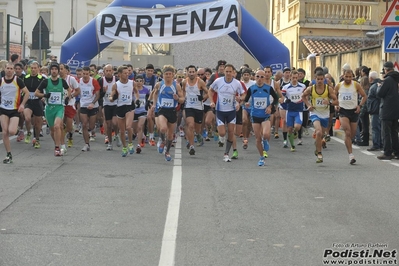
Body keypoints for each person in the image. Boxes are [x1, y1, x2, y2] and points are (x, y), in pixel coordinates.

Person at [208, 64, 246, 162]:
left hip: (231, 111)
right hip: (220, 110)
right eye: (226, 71)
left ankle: (226, 154)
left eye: (230, 72)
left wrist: (240, 101)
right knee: (222, 132)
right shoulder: (218, 81)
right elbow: (210, 91)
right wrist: (212, 101)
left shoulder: (237, 83)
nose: (228, 73)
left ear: (233, 72)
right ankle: (221, 138)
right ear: (224, 72)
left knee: (230, 132)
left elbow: (243, 95)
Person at [244, 70, 279, 166]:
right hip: (255, 115)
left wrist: (270, 107)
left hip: (265, 115)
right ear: (254, 77)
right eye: (257, 76)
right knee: (258, 138)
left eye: (262, 77)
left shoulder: (268, 88)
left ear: (265, 78)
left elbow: (276, 99)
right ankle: (261, 157)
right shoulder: (251, 89)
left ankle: (266, 141)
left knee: (266, 134)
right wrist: (246, 104)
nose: (259, 79)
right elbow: (245, 100)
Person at [35, 63, 71, 156]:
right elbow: (36, 93)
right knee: (52, 130)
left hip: (59, 108)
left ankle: (57, 147)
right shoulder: (45, 81)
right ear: (50, 71)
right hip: (49, 109)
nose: (54, 71)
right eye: (52, 69)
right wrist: (44, 95)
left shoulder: (62, 81)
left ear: (58, 71)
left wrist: (68, 97)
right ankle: (60, 145)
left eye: (56, 69)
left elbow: (69, 89)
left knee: (57, 126)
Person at [302, 71, 338, 163]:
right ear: (315, 79)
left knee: (321, 134)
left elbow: (336, 101)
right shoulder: (311, 89)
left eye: (322, 79)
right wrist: (308, 105)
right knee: (318, 132)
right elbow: (303, 96)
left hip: (325, 114)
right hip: (315, 112)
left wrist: (329, 103)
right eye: (318, 79)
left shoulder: (328, 89)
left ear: (324, 80)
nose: (320, 81)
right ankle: (319, 153)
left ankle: (317, 144)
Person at [151, 65, 185, 161]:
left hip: (172, 111)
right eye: (166, 74)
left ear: (173, 75)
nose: (168, 76)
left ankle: (167, 151)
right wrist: (154, 104)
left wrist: (178, 98)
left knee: (170, 135)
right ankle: (162, 141)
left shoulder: (176, 86)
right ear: (163, 75)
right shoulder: (159, 84)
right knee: (163, 128)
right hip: (162, 109)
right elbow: (155, 93)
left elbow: (182, 99)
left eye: (170, 74)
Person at [335, 69, 367, 164]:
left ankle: (348, 143)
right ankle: (351, 155)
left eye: (350, 77)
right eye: (346, 76)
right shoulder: (339, 85)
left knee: (352, 135)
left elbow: (364, 96)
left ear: (352, 76)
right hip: (343, 111)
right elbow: (333, 96)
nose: (348, 78)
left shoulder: (356, 85)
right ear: (343, 76)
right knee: (348, 132)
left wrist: (359, 105)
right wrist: (336, 104)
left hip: (353, 111)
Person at [0, 63, 29, 163]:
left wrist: (22, 105)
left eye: (11, 69)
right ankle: (8, 154)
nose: (9, 70)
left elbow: (27, 93)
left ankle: (18, 131)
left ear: (13, 70)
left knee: (11, 131)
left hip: (14, 110)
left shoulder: (18, 80)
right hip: (3, 109)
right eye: (7, 68)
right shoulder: (1, 81)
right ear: (4, 69)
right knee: (4, 132)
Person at [109, 65, 138, 157]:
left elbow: (136, 92)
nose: (127, 75)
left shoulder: (132, 83)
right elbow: (111, 95)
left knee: (128, 127)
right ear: (119, 74)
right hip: (120, 107)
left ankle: (130, 143)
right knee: (122, 130)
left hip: (129, 106)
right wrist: (111, 98)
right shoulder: (116, 85)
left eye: (128, 73)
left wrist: (137, 99)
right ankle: (124, 147)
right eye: (125, 73)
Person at [182, 65, 208, 155]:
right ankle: (192, 146)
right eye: (190, 72)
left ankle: (197, 134)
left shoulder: (200, 82)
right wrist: (183, 98)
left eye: (193, 72)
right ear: (187, 72)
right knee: (190, 125)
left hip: (199, 108)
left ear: (196, 73)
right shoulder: (184, 82)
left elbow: (208, 92)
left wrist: (203, 97)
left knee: (197, 129)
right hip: (189, 107)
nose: (192, 73)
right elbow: (183, 92)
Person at [376, 61, 399, 160]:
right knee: (394, 132)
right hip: (396, 109)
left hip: (387, 109)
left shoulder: (387, 80)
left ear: (385, 69)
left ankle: (387, 152)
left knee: (386, 132)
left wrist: (379, 87)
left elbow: (380, 94)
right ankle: (397, 152)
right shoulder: (396, 79)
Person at [281, 70, 306, 152]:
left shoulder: (302, 86)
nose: (294, 79)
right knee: (289, 129)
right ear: (290, 77)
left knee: (297, 126)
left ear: (298, 77)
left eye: (296, 77)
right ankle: (292, 145)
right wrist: (285, 100)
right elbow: (281, 97)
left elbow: (306, 95)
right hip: (289, 110)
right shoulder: (286, 87)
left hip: (298, 110)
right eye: (293, 77)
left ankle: (296, 132)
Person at [23, 61, 45, 148]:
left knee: (37, 123)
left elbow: (45, 90)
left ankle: (37, 139)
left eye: (35, 68)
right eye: (32, 68)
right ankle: (28, 132)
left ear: (38, 69)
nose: (33, 70)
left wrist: (43, 96)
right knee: (27, 118)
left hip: (37, 102)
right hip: (28, 101)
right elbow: (22, 89)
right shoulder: (26, 78)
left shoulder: (42, 78)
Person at [78, 66, 101, 151]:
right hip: (83, 104)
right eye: (83, 74)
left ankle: (91, 130)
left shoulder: (93, 81)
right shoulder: (79, 81)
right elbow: (76, 90)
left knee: (91, 126)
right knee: (84, 124)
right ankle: (86, 144)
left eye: (87, 74)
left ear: (89, 73)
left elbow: (98, 94)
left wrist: (93, 103)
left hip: (93, 105)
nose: (85, 76)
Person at [99, 64, 121, 150]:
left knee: (115, 123)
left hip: (115, 104)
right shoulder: (101, 80)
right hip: (106, 104)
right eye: (106, 71)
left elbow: (120, 93)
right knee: (108, 125)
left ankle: (116, 134)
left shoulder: (117, 80)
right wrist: (104, 92)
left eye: (110, 70)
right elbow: (99, 95)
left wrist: (113, 98)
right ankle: (110, 143)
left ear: (113, 71)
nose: (108, 72)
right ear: (104, 72)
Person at [132, 74, 150, 153]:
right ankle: (141, 136)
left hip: (143, 111)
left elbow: (149, 101)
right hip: (134, 111)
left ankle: (138, 145)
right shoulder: (132, 90)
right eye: (137, 81)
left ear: (143, 82)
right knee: (135, 130)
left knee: (140, 127)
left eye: (141, 81)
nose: (139, 83)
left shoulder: (146, 90)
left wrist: (149, 109)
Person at [366, 71, 383, 151]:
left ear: (371, 78)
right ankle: (379, 143)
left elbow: (378, 96)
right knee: (378, 127)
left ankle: (376, 144)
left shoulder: (374, 86)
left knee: (375, 127)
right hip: (377, 109)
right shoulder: (378, 85)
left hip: (375, 109)